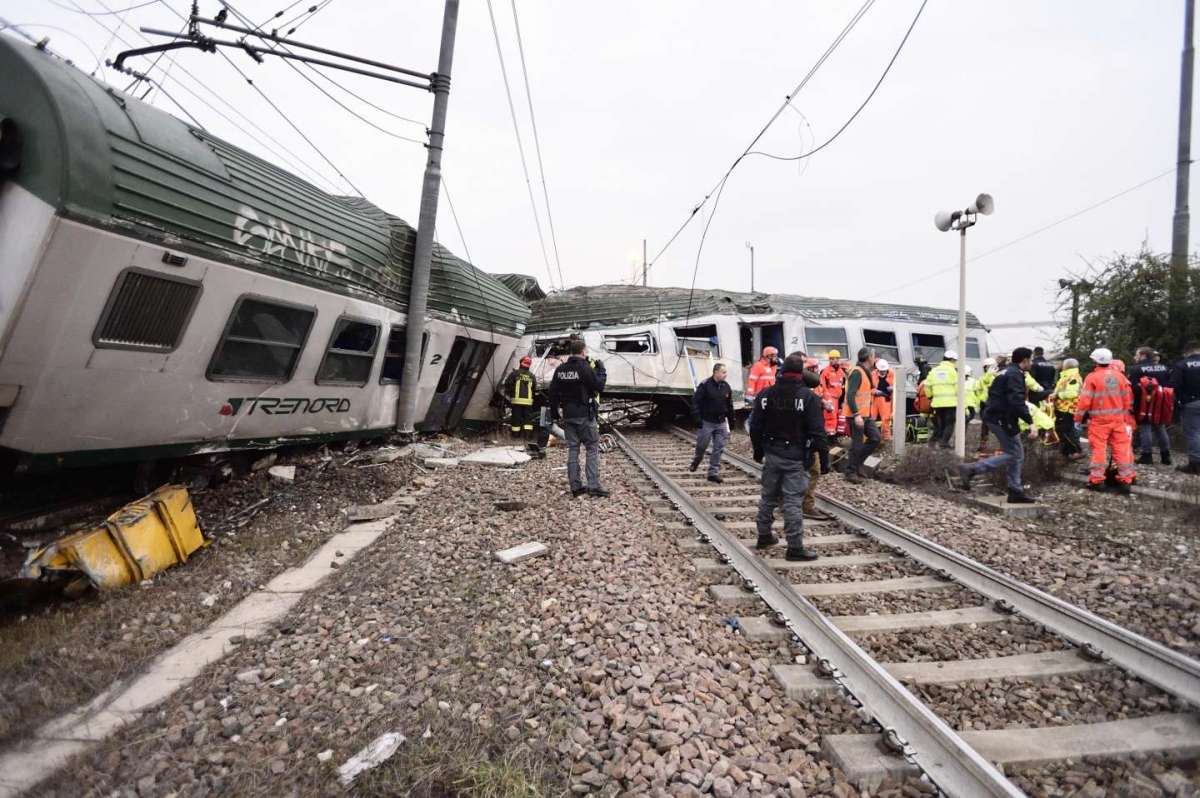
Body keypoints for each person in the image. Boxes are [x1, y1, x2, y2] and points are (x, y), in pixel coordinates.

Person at [750, 352, 827, 561]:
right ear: (800, 373)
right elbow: (818, 432)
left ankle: (764, 535)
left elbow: (755, 426)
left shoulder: (765, 395)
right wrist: (824, 461)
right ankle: (794, 547)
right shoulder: (809, 397)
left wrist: (758, 450)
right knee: (793, 501)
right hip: (795, 456)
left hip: (772, 452)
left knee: (768, 497)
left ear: (781, 372)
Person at [957, 347, 1037, 504]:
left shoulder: (1005, 372)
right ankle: (973, 469)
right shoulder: (1015, 375)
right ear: (1025, 360)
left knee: (1016, 453)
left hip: (995, 416)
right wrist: (1031, 422)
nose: (1032, 363)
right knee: (1014, 453)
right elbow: (1016, 401)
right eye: (1031, 360)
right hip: (1002, 418)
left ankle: (1015, 490)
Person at [548, 339, 609, 497]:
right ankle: (593, 486)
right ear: (583, 352)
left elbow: (552, 393)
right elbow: (598, 386)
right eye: (586, 351)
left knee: (573, 450)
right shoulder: (584, 368)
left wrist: (555, 413)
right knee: (591, 448)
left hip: (568, 415)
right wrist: (601, 370)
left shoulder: (560, 370)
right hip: (584, 415)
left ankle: (575, 487)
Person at [1074, 347, 1135, 495]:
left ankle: (1097, 480)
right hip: (1118, 420)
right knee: (1122, 450)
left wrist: (1078, 418)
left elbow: (1084, 401)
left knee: (1099, 450)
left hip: (1100, 421)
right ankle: (1126, 480)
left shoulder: (1092, 378)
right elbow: (1128, 400)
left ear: (1095, 360)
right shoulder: (1120, 377)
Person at [1128, 345, 1173, 465]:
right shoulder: (1164, 367)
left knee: (1145, 427)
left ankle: (1147, 455)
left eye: (1137, 354)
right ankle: (1166, 456)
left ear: (1143, 355)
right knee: (1160, 426)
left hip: (1143, 401)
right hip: (1161, 400)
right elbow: (1169, 384)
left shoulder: (1136, 369)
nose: (1135, 357)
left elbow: (1132, 387)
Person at [690, 363, 735, 483]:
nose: (726, 375)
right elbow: (695, 402)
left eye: (726, 372)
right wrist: (697, 419)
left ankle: (713, 472)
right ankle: (697, 460)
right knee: (702, 446)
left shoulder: (726, 387)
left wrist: (732, 421)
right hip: (707, 422)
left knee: (719, 447)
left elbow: (729, 405)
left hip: (721, 422)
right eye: (723, 372)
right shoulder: (705, 385)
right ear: (716, 372)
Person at [800, 365, 834, 521]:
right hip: (807, 442)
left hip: (785, 443)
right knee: (814, 471)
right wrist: (825, 457)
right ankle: (806, 506)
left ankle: (785, 502)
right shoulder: (810, 398)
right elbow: (818, 430)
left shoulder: (786, 392)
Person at [842, 347, 880, 484]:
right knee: (857, 445)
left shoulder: (865, 372)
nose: (875, 359)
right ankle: (850, 472)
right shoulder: (857, 372)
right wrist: (856, 414)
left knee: (875, 438)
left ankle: (857, 464)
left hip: (865, 414)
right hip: (856, 415)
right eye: (873, 356)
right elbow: (850, 394)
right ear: (868, 357)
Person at [1170, 341, 1200, 475]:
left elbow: (1174, 385)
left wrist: (1178, 402)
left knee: (1193, 433)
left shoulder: (1182, 365)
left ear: (1187, 352)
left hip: (1191, 403)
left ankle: (1195, 464)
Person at [923, 350, 959, 449]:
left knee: (940, 424)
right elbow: (958, 387)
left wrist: (930, 396)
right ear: (952, 360)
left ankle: (935, 443)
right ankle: (943, 443)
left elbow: (926, 385)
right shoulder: (953, 371)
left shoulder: (934, 371)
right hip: (951, 403)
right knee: (949, 424)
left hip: (937, 403)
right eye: (955, 361)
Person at [1051, 357, 1084, 460]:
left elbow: (1072, 393)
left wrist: (1057, 395)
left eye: (1063, 364)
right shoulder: (1067, 376)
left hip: (1068, 409)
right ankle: (1066, 452)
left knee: (1066, 431)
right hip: (1064, 408)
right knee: (1064, 431)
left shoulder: (1072, 377)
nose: (1061, 365)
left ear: (1067, 366)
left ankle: (1076, 451)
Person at [503, 356, 537, 441]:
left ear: (521, 363)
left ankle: (515, 437)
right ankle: (527, 437)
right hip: (528, 402)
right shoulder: (532, 376)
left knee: (516, 419)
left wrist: (511, 394)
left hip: (517, 401)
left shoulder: (515, 374)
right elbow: (534, 389)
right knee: (528, 421)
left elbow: (507, 384)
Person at [819, 350, 847, 435]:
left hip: (839, 398)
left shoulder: (841, 372)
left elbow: (843, 385)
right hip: (830, 398)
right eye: (831, 359)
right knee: (830, 418)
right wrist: (827, 399)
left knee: (839, 418)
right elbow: (822, 386)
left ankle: (836, 435)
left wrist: (843, 400)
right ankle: (829, 437)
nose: (833, 360)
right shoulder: (825, 371)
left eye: (836, 358)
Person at [976, 356, 1001, 454]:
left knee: (998, 424)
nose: (991, 368)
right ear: (985, 367)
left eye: (992, 366)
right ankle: (983, 444)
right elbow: (978, 388)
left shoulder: (998, 377)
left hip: (995, 403)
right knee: (985, 425)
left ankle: (1002, 445)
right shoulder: (983, 378)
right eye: (989, 367)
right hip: (985, 403)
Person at [873, 359, 896, 441]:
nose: (882, 372)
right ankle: (870, 437)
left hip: (886, 398)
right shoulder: (873, 374)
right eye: (881, 371)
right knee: (871, 418)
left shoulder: (892, 374)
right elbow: (869, 386)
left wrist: (893, 388)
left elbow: (897, 385)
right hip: (874, 398)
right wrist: (874, 391)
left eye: (884, 371)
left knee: (886, 418)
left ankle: (886, 437)